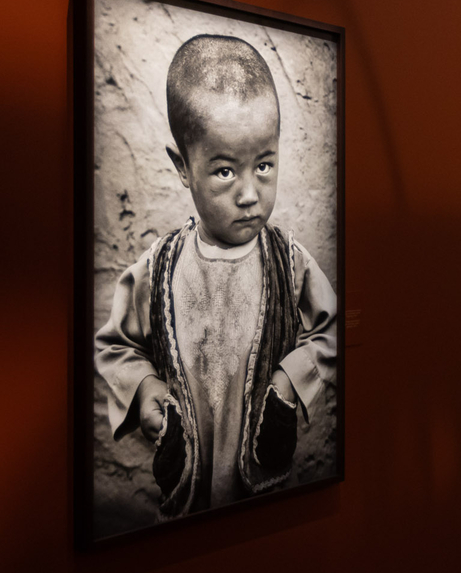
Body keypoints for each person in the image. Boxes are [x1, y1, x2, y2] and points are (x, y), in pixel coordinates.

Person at [95, 35, 337, 518]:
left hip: (266, 490)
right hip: (186, 499)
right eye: (225, 172)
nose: (249, 194)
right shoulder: (157, 267)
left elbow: (328, 332)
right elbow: (116, 347)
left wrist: (288, 385)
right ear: (182, 165)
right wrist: (145, 391)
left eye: (264, 165)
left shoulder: (289, 262)